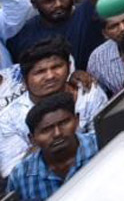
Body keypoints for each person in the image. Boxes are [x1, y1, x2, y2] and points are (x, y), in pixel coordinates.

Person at [0, 37, 107, 176]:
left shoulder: (87, 93)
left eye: (56, 67)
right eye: (40, 72)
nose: (50, 76)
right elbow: (13, 172)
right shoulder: (8, 120)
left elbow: (106, 138)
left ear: (69, 67)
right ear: (25, 80)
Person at [4, 92, 97, 201]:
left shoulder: (101, 143)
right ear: (32, 139)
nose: (57, 133)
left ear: (76, 120)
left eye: (64, 123)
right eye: (46, 130)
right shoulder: (20, 176)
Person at [8, 0, 108, 70]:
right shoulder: (23, 36)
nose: (58, 4)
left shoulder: (85, 14)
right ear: (34, 3)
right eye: (49, 1)